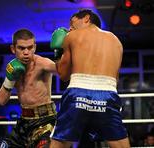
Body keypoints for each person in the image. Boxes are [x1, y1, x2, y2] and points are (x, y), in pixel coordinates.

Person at [49, 9, 131, 148]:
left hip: (78, 93)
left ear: (86, 18)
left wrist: (58, 53)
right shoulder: (116, 41)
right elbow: (115, 79)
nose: (69, 28)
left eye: (72, 22)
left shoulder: (72, 36)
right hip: (108, 93)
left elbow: (63, 75)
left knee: (59, 144)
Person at [0, 28, 57, 148]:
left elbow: (64, 71)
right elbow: (1, 101)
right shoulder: (12, 67)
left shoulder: (42, 63)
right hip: (24, 121)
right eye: (21, 48)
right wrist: (9, 80)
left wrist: (62, 52)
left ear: (34, 47)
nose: (26, 52)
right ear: (13, 49)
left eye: (30, 48)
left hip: (45, 121)